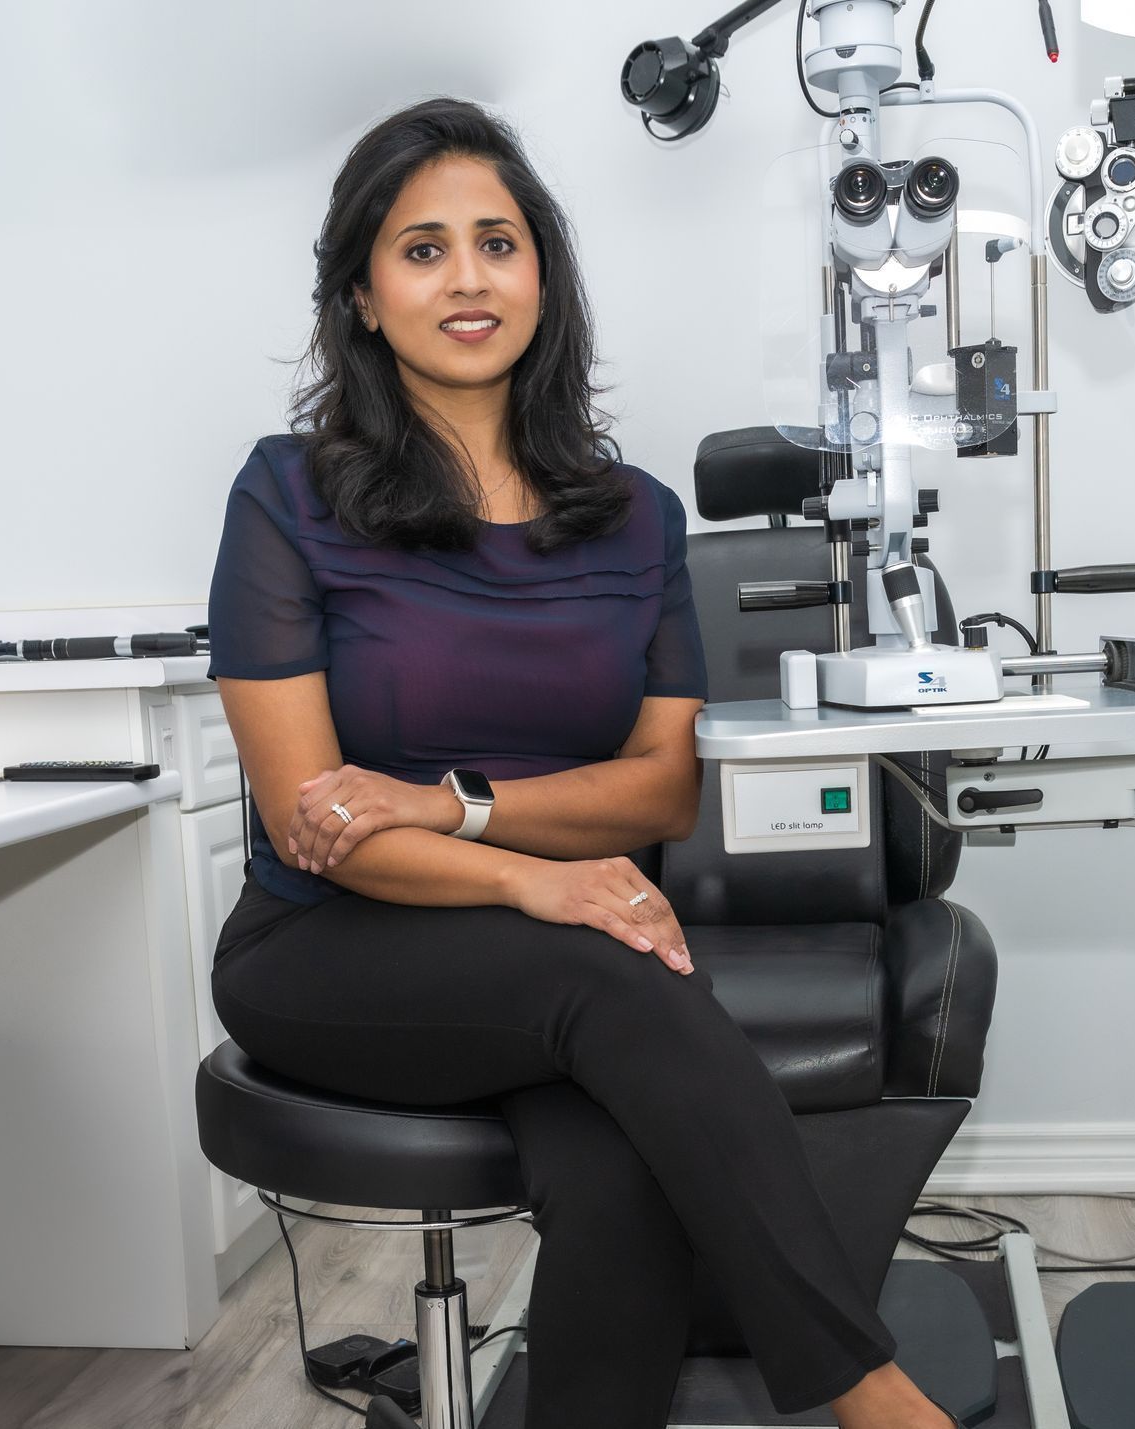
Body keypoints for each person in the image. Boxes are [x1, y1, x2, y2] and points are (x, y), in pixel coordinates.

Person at [206, 96, 965, 1429]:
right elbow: (322, 823)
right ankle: (867, 1390)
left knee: (619, 1162)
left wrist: (459, 805)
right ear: (365, 299)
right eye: (421, 248)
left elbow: (663, 790)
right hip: (330, 944)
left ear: (543, 280)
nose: (467, 277)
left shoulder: (634, 518)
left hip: (556, 957)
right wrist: (534, 880)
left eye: (497, 242)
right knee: (602, 967)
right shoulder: (289, 496)